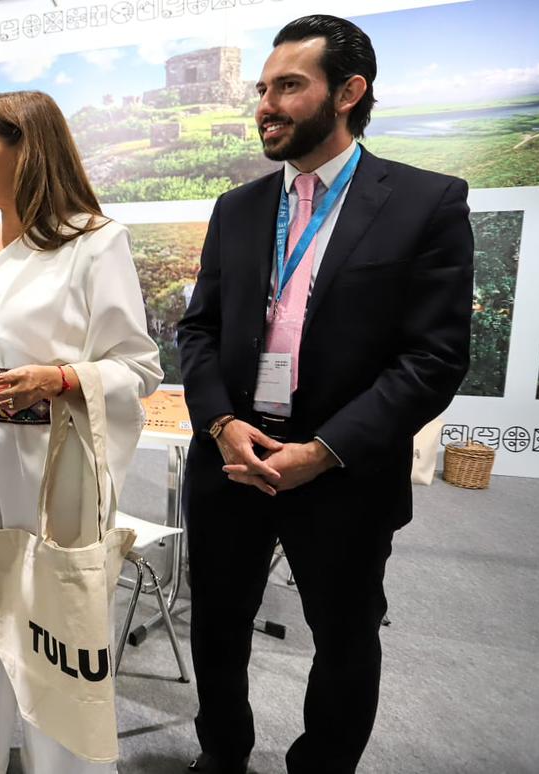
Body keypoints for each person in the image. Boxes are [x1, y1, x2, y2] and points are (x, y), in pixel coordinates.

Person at [176, 15, 473, 774]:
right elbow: (200, 331)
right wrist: (219, 424)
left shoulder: (425, 203)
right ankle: (222, 756)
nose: (265, 105)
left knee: (344, 636)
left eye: (288, 87)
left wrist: (326, 449)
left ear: (349, 92)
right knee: (216, 624)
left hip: (343, 470)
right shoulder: (236, 208)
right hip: (231, 460)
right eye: (263, 89)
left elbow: (434, 358)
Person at [0, 91, 163, 774]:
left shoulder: (93, 242)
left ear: (28, 150)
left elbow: (137, 367)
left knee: (57, 622)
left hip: (52, 457)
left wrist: (59, 377)